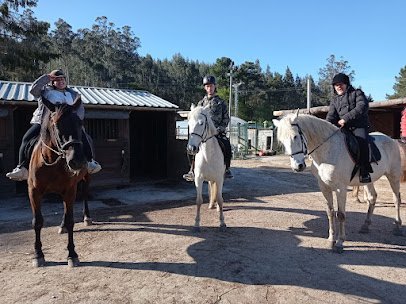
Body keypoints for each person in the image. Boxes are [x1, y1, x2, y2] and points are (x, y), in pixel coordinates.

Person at [6, 69, 101, 181]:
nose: (61, 81)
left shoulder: (73, 94)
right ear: (52, 82)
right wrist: (46, 77)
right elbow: (33, 90)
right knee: (27, 138)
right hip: (44, 122)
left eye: (62, 79)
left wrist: (75, 120)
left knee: (83, 137)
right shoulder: (45, 91)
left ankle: (90, 162)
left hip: (68, 123)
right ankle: (21, 168)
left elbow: (80, 109)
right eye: (57, 80)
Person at [183, 75, 233, 181]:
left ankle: (227, 169)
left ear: (215, 87)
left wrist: (220, 128)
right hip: (203, 133)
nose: (209, 88)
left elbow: (226, 118)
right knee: (191, 148)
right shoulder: (201, 103)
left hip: (217, 132)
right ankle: (192, 170)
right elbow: (196, 119)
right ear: (205, 88)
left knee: (227, 145)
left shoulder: (221, 103)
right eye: (207, 86)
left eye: (211, 86)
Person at [326, 72, 372, 183]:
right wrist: (325, 127)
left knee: (362, 142)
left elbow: (362, 107)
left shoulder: (357, 93)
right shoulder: (335, 100)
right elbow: (331, 116)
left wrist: (345, 118)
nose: (338, 87)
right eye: (336, 85)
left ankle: (364, 171)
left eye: (341, 84)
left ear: (346, 84)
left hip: (358, 126)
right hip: (344, 129)